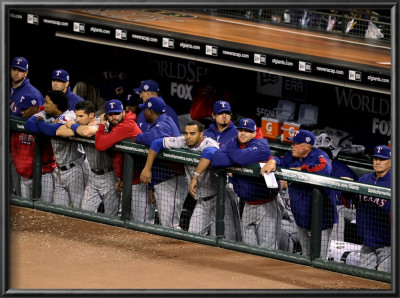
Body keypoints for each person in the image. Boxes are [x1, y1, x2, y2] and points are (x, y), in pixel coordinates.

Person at [261, 129, 336, 258]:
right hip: (301, 219)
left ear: (307, 147)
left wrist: (302, 170)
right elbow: (280, 160)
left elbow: (324, 169)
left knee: (319, 260)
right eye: (292, 143)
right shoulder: (291, 156)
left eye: (296, 143)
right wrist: (273, 161)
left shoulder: (319, 155)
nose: (292, 146)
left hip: (321, 222)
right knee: (307, 257)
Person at [140, 121, 219, 236]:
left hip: (221, 197)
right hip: (204, 200)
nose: (188, 137)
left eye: (192, 134)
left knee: (231, 236)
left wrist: (195, 177)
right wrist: (147, 168)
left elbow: (209, 153)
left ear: (201, 134)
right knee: (194, 234)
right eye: (186, 133)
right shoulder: (183, 141)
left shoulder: (208, 142)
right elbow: (157, 143)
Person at [211, 118, 281, 248]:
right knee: (248, 247)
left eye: (247, 131)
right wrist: (238, 157)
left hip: (267, 203)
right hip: (248, 204)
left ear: (254, 133)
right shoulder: (234, 142)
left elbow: (240, 158)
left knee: (268, 249)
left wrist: (231, 154)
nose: (243, 133)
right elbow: (216, 159)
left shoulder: (261, 146)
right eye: (240, 130)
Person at [56, 100, 121, 216]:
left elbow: (87, 132)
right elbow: (59, 131)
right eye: (77, 116)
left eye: (81, 116)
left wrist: (73, 126)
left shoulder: (101, 124)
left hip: (109, 176)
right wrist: (77, 129)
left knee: (111, 216)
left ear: (91, 115)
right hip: (93, 176)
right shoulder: (81, 125)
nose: (78, 119)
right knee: (84, 213)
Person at [24, 90, 88, 209]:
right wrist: (45, 124)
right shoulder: (48, 114)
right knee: (57, 210)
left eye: (47, 102)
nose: (44, 105)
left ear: (55, 105)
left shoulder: (70, 116)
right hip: (60, 170)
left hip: (76, 169)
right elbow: (28, 124)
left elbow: (51, 131)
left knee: (77, 209)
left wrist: (42, 123)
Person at [135, 96, 187, 229]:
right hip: (163, 179)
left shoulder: (164, 122)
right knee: (166, 224)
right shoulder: (161, 122)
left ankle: (178, 249)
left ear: (151, 112)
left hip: (171, 179)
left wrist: (138, 136)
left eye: (145, 110)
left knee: (170, 225)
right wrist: (152, 185)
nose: (143, 112)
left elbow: (154, 138)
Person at [342, 145, 391, 273]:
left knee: (386, 282)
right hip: (367, 242)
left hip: (388, 246)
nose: (378, 162)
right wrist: (348, 189)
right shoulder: (364, 179)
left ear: (390, 161)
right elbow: (351, 203)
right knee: (364, 279)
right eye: (375, 158)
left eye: (382, 159)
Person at [94, 100, 146, 221]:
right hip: (129, 179)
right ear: (107, 115)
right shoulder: (116, 125)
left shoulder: (127, 125)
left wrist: (102, 124)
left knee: (141, 221)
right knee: (128, 218)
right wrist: (123, 179)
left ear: (123, 112)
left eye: (117, 113)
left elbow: (100, 145)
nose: (114, 117)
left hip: (140, 180)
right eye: (111, 114)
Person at [203, 100, 242, 242]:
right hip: (209, 185)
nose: (224, 116)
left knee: (230, 228)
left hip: (229, 185)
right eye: (220, 113)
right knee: (208, 227)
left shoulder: (238, 134)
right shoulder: (207, 133)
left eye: (227, 113)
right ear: (213, 115)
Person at [11, 93, 56, 202]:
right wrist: (21, 166)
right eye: (21, 108)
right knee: (26, 208)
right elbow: (14, 149)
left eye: (25, 109)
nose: (22, 112)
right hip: (24, 174)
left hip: (44, 174)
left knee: (46, 208)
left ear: (35, 107)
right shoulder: (17, 121)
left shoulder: (47, 118)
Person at [319, 147, 358, 242]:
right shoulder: (321, 170)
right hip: (342, 205)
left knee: (337, 210)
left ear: (330, 161)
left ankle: (336, 247)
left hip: (356, 208)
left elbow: (341, 200)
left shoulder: (341, 171)